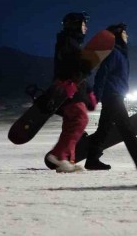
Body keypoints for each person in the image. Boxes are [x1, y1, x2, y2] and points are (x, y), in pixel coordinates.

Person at [86, 23, 137, 171]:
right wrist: (96, 94)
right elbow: (102, 74)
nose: (127, 36)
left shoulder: (121, 54)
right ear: (118, 35)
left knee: (111, 128)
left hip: (115, 94)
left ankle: (93, 158)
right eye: (125, 33)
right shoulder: (114, 54)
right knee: (123, 128)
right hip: (112, 95)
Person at [46, 12, 97, 173]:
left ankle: (67, 160)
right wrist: (85, 65)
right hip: (69, 89)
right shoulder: (67, 42)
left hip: (73, 88)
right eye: (83, 24)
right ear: (74, 25)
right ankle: (58, 155)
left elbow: (79, 70)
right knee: (79, 119)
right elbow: (72, 67)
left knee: (70, 125)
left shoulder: (71, 42)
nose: (86, 27)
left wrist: (88, 91)